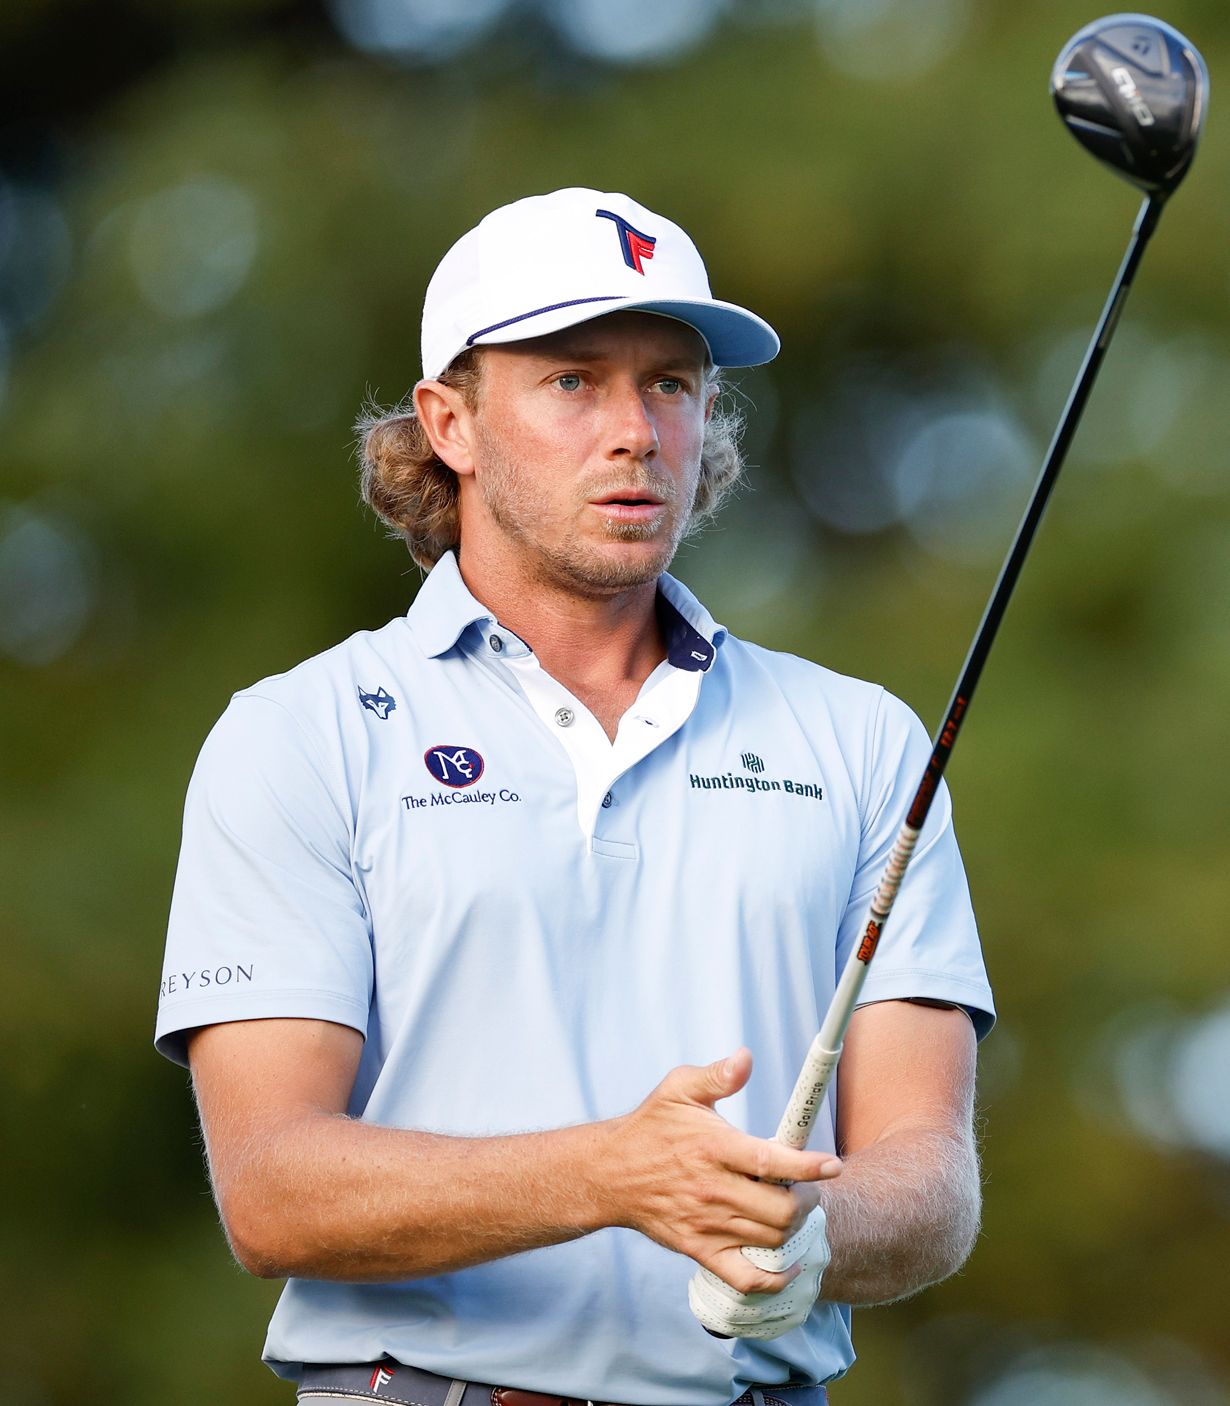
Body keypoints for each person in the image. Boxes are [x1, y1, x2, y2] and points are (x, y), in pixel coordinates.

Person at [152, 188, 993, 1406]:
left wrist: (811, 1235)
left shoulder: (859, 738)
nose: (636, 429)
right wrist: (615, 1173)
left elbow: (928, 1173)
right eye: (571, 381)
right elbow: (274, 1191)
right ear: (451, 422)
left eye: (670, 383)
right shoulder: (303, 733)